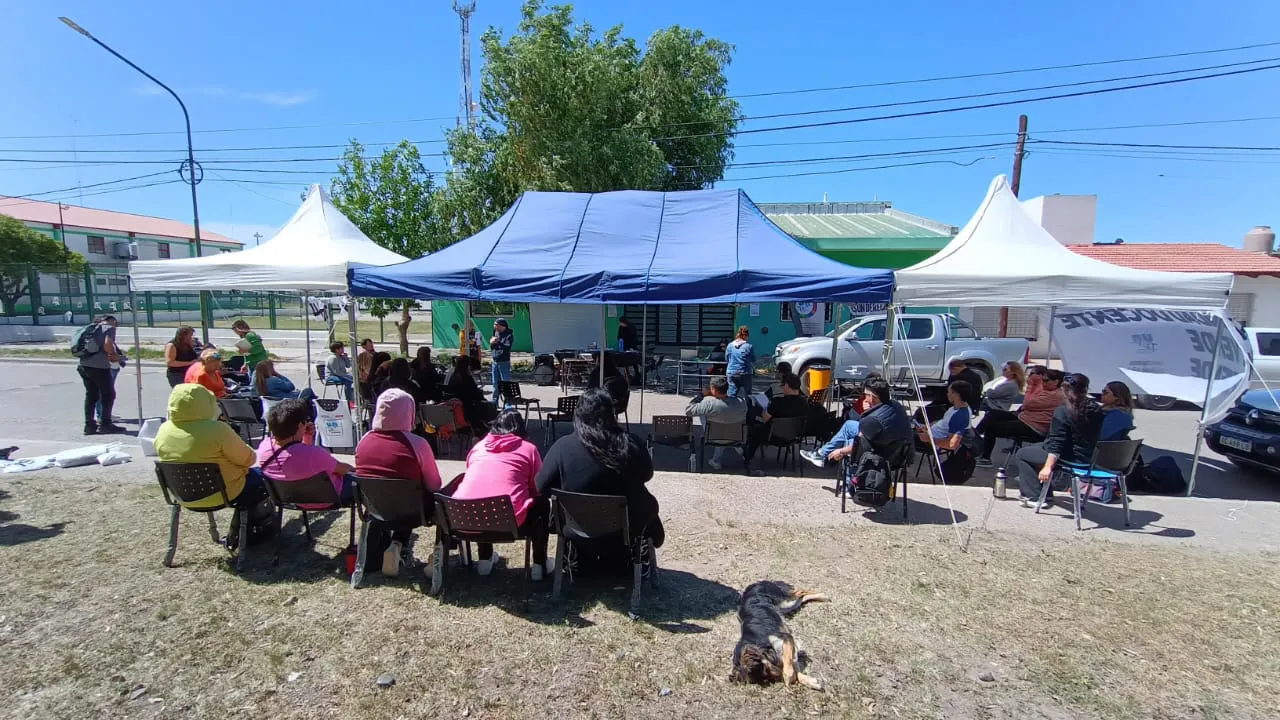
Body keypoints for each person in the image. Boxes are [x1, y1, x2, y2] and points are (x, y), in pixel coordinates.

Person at [535, 387, 664, 561]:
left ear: (578, 414)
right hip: (627, 529)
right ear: (612, 413)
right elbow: (647, 474)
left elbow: (540, 487)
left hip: (577, 529)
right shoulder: (630, 443)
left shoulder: (562, 446)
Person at [354, 388, 443, 576]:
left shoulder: (364, 441)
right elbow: (434, 485)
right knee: (417, 497)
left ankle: (395, 545)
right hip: (415, 511)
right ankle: (416, 550)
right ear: (408, 412)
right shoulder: (417, 444)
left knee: (399, 496)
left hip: (376, 509)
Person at [452, 409, 547, 578]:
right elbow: (538, 487)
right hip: (510, 520)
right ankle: (540, 565)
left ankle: (484, 560)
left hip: (466, 517)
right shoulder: (529, 449)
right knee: (542, 504)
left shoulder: (478, 447)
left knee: (483, 498)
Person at [154, 383, 265, 515]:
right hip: (223, 494)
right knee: (265, 478)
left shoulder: (163, 430)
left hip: (183, 494)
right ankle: (254, 530)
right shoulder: (217, 429)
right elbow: (248, 459)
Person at [1016, 373, 1103, 508]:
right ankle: (1046, 494)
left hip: (1068, 456)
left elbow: (1057, 443)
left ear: (1064, 389)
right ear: (1086, 389)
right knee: (1036, 448)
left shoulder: (1063, 411)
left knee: (1022, 454)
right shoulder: (1096, 409)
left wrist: (1047, 467)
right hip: (1087, 456)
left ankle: (1035, 496)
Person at [257, 398, 355, 507]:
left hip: (291, 498)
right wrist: (353, 468)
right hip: (326, 499)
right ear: (299, 425)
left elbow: (303, 461)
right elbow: (343, 469)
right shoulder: (315, 454)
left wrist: (307, 437)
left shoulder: (264, 449)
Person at [801, 377, 912, 467]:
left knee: (849, 442)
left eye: (865, 395)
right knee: (849, 425)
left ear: (872, 398)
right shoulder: (896, 405)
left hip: (884, 457)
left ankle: (852, 486)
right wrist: (869, 410)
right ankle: (821, 454)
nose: (864, 398)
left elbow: (860, 444)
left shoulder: (874, 420)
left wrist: (841, 451)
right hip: (901, 454)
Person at [975, 367, 1065, 466]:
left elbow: (1027, 403)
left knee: (992, 427)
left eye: (1046, 380)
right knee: (992, 414)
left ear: (1056, 382)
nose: (1043, 382)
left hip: (1034, 427)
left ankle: (985, 458)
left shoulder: (1055, 395)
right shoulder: (1045, 389)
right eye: (1042, 380)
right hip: (1025, 418)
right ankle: (974, 437)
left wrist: (1030, 385)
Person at [745, 372, 809, 467]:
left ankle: (747, 458)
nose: (782, 388)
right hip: (796, 436)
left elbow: (765, 418)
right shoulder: (804, 402)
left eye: (782, 385)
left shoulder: (778, 402)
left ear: (787, 385)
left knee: (753, 429)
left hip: (774, 436)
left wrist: (765, 408)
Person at [685, 376, 748, 471]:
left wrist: (701, 395)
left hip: (713, 437)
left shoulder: (709, 404)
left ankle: (716, 460)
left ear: (713, 390)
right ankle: (736, 451)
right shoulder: (741, 402)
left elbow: (689, 411)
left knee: (705, 415)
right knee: (730, 420)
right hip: (737, 437)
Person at [77, 315, 124, 435]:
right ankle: (105, 424)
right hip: (99, 367)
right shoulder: (108, 328)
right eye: (115, 323)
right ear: (110, 321)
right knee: (108, 394)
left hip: (84, 365)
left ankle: (89, 426)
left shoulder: (90, 328)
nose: (115, 326)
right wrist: (114, 355)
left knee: (91, 395)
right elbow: (108, 344)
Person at [916, 380, 974, 454]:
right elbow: (944, 422)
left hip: (932, 442)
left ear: (955, 394)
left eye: (949, 392)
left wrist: (929, 439)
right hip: (930, 433)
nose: (947, 394)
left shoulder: (960, 416)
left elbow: (952, 444)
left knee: (903, 437)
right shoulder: (954, 408)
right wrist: (927, 426)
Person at [446, 355, 497, 430]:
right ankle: (487, 428)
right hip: (467, 409)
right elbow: (476, 395)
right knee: (491, 405)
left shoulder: (453, 376)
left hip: (454, 408)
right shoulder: (467, 379)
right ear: (467, 366)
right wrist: (480, 394)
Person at [724, 327, 756, 398]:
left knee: (731, 393)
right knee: (748, 394)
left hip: (731, 372)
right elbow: (753, 359)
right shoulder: (749, 346)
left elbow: (727, 359)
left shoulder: (730, 345)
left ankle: (732, 407)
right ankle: (747, 408)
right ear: (746, 336)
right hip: (745, 372)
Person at [490, 317, 514, 406]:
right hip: (495, 361)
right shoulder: (496, 332)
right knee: (495, 383)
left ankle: (508, 403)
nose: (494, 327)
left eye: (496, 325)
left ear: (502, 326)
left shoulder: (509, 335)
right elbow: (493, 344)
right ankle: (494, 402)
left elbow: (507, 347)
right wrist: (492, 343)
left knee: (505, 383)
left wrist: (498, 341)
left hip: (504, 362)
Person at [616, 316, 641, 382]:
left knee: (634, 361)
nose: (620, 324)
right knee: (625, 360)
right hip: (624, 346)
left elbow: (634, 338)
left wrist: (632, 347)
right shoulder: (621, 328)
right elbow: (619, 337)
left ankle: (637, 373)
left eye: (621, 322)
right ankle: (627, 374)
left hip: (632, 346)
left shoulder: (632, 327)